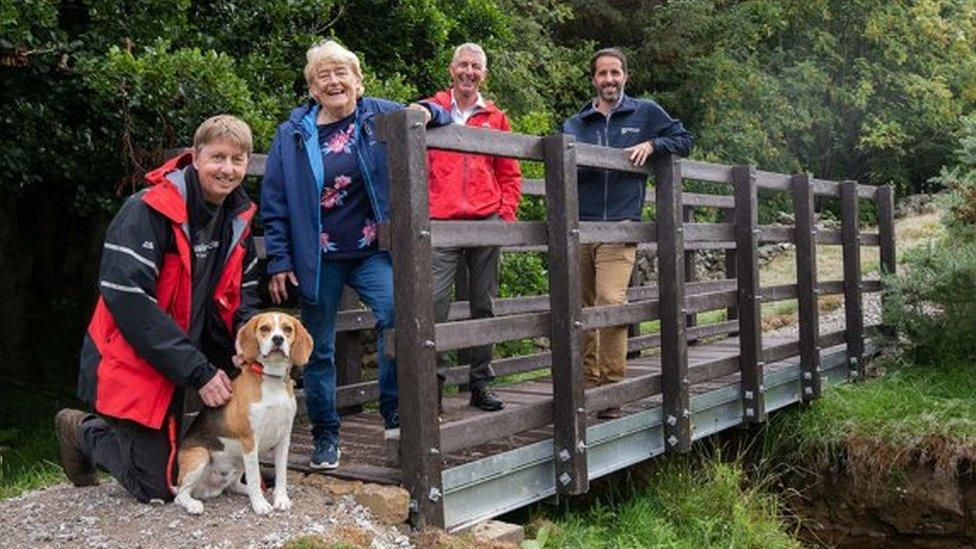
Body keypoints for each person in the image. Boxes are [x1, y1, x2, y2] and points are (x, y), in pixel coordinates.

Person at [261, 40, 450, 470]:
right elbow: (274, 200)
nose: (333, 81)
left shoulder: (378, 114)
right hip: (317, 256)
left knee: (396, 319)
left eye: (341, 72)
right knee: (318, 347)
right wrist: (280, 259)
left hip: (371, 250)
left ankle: (395, 415)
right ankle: (326, 434)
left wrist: (426, 112)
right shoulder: (293, 134)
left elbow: (435, 113)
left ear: (358, 81)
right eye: (323, 75)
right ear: (311, 88)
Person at [55, 115, 260, 502]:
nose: (227, 169)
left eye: (237, 159)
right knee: (158, 488)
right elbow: (129, 303)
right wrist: (198, 371)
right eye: (217, 157)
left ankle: (179, 442)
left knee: (197, 461)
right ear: (195, 157)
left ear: (247, 163)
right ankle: (83, 431)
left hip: (191, 350)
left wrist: (244, 338)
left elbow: (244, 296)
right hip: (131, 354)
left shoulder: (239, 217)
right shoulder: (146, 210)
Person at [563, 47, 694, 419]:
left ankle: (611, 387)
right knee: (582, 305)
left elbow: (683, 138)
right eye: (602, 74)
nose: (609, 80)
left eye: (615, 73)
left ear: (625, 76)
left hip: (621, 224)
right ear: (593, 79)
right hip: (581, 226)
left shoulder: (645, 112)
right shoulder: (577, 123)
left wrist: (653, 144)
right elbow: (563, 160)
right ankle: (587, 380)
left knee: (609, 301)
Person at [425, 43, 522, 412]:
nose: (469, 71)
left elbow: (509, 173)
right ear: (451, 70)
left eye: (476, 66)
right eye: (463, 65)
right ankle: (431, 385)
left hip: (485, 222)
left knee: (483, 304)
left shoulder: (496, 118)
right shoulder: (430, 110)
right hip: (440, 223)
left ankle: (480, 383)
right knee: (433, 305)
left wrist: (504, 217)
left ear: (484, 74)